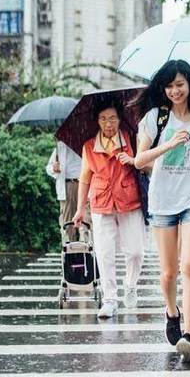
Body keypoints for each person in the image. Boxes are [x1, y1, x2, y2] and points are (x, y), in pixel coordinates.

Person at [134, 60, 190, 363]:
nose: (175, 90)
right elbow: (139, 160)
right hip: (163, 201)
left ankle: (189, 333)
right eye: (169, 85)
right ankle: (171, 312)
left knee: (189, 267)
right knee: (168, 272)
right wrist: (168, 143)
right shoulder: (155, 118)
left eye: (180, 84)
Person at [72, 96, 146, 317]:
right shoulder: (88, 146)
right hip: (101, 201)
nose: (108, 123)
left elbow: (144, 163)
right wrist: (79, 208)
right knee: (105, 254)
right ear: (97, 121)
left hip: (129, 198)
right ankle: (110, 299)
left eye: (112, 118)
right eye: (103, 119)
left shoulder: (132, 139)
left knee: (135, 250)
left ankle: (130, 285)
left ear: (120, 119)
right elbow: (85, 178)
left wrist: (132, 159)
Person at [46, 141, 86, 243]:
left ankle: (87, 250)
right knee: (68, 221)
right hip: (68, 185)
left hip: (86, 183)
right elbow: (49, 168)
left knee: (87, 220)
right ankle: (70, 250)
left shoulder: (87, 143)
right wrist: (54, 168)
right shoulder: (61, 146)